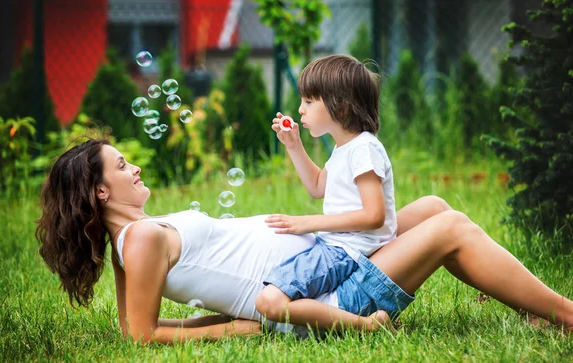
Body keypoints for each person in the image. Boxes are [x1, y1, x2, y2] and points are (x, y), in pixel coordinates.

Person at [36, 138, 573, 344]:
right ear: (102, 191)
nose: (135, 168)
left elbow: (136, 326)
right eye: (123, 165)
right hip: (322, 297)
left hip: (327, 263)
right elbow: (143, 336)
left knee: (432, 208)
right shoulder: (143, 239)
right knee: (451, 228)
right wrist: (232, 331)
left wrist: (219, 322)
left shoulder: (135, 239)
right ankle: (565, 314)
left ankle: (531, 306)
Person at [255, 54, 397, 327]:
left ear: (340, 108)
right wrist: (294, 145)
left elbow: (374, 215)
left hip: (344, 251)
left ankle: (365, 325)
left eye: (309, 101)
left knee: (269, 299)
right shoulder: (345, 148)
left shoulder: (363, 148)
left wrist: (309, 223)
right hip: (338, 247)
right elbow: (318, 186)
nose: (300, 109)